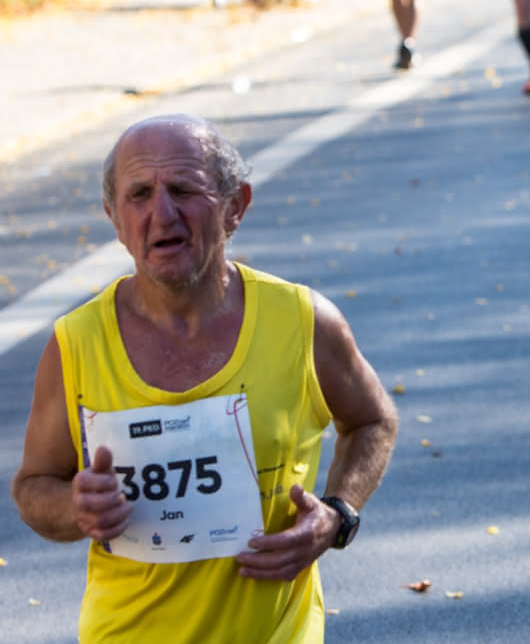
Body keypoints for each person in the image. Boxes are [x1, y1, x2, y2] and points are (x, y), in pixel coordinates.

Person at [11, 114, 398, 644]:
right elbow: (34, 487)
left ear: (235, 205)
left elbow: (373, 420)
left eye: (183, 190)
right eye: (139, 194)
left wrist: (338, 514)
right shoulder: (76, 343)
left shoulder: (303, 321)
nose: (162, 213)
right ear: (114, 218)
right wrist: (75, 507)